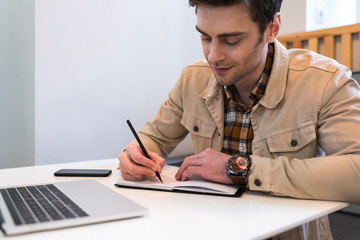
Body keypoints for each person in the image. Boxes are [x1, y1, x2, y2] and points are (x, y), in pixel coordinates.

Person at [118, 0, 360, 239]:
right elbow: (152, 139)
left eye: (231, 40)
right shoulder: (192, 79)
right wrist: (137, 157)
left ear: (272, 28)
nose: (213, 56)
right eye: (205, 38)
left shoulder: (326, 82)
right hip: (205, 230)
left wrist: (241, 169)